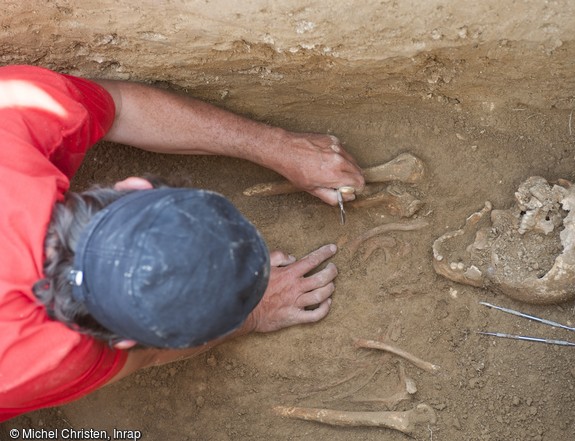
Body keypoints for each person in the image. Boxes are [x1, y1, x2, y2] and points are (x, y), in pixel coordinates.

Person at [0, 64, 365, 421]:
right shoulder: (40, 361)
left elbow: (121, 106)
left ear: (133, 185)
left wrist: (277, 146)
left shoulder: (18, 111)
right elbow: (149, 356)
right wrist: (253, 313)